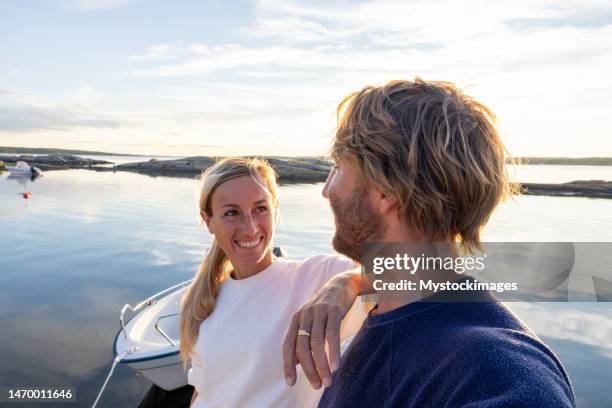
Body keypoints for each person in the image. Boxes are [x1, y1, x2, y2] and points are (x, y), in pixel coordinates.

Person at [283, 78, 576, 407]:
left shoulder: (501, 380)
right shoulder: (392, 319)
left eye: (337, 168)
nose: (326, 190)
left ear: (385, 191)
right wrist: (348, 282)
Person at [180, 157, 364, 408]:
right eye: (232, 213)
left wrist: (349, 282)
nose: (251, 228)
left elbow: (434, 272)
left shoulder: (317, 277)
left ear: (275, 210)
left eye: (260, 209)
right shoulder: (203, 301)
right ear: (208, 220)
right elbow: (203, 392)